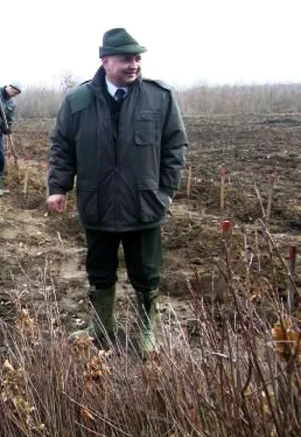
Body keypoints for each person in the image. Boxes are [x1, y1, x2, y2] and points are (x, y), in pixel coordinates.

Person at [47, 28, 188, 356]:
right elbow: (62, 145)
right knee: (99, 269)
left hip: (144, 205)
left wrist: (165, 191)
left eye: (137, 58)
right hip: (98, 203)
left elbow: (175, 147)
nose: (134, 64)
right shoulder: (78, 101)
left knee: (147, 272)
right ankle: (102, 325)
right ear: (105, 61)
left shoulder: (159, 97)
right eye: (126, 58)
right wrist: (58, 187)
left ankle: (146, 329)